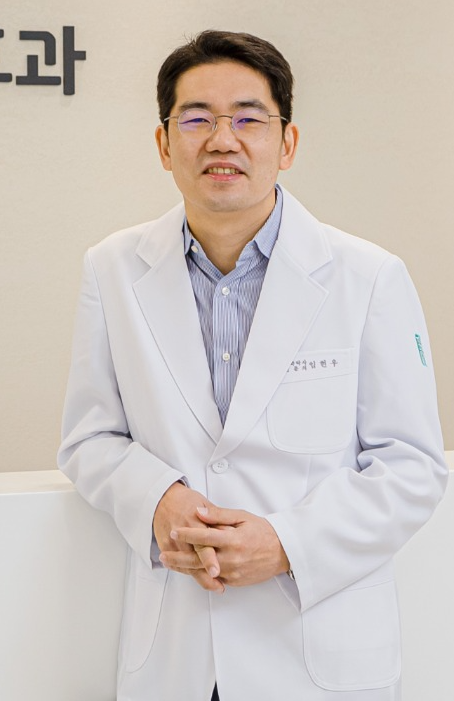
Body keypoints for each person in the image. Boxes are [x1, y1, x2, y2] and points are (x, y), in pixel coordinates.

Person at [58, 30, 447, 701]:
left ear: (286, 143)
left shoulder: (370, 277)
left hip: (317, 654)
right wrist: (159, 498)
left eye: (247, 119)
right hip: (176, 656)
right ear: (164, 145)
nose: (222, 140)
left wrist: (287, 543)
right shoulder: (112, 269)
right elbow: (89, 437)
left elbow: (413, 465)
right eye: (196, 119)